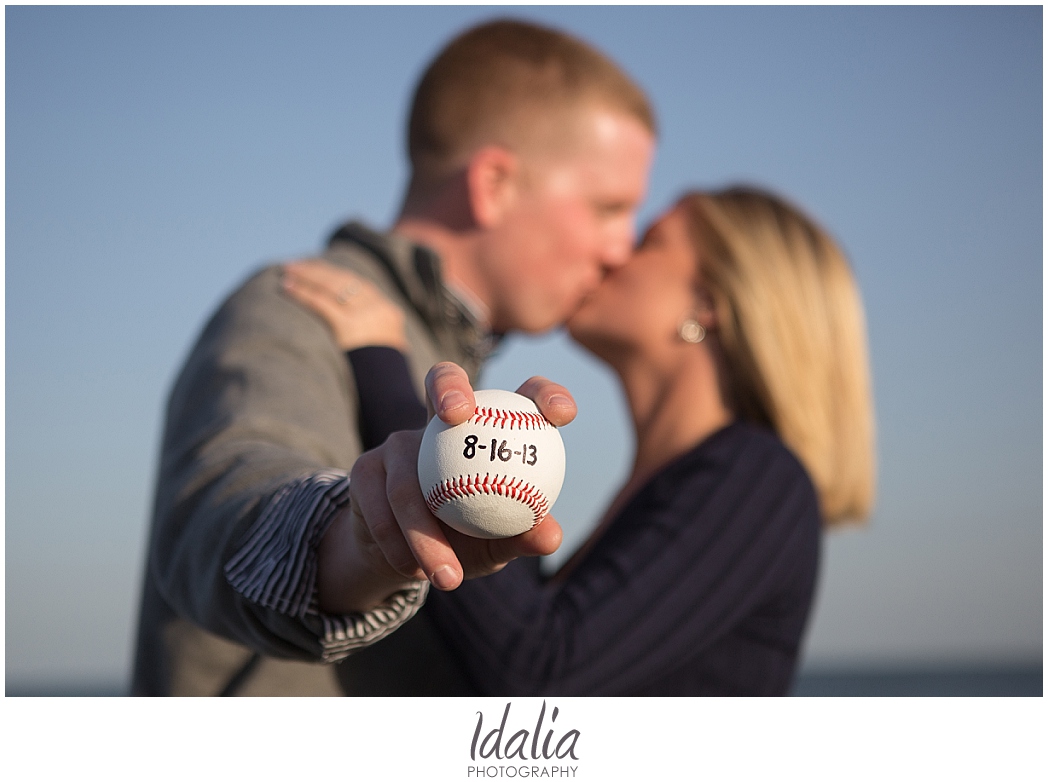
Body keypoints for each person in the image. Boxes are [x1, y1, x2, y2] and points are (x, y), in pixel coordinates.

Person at [131, 18, 656, 696]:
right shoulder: (298, 306)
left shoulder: (461, 366)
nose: (622, 248)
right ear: (493, 184)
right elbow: (222, 501)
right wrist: (360, 540)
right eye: (609, 207)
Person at [282, 185, 876, 695]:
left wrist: (382, 364)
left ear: (708, 303)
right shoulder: (671, 483)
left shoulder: (758, 480)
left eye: (649, 241)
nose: (615, 252)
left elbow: (541, 669)